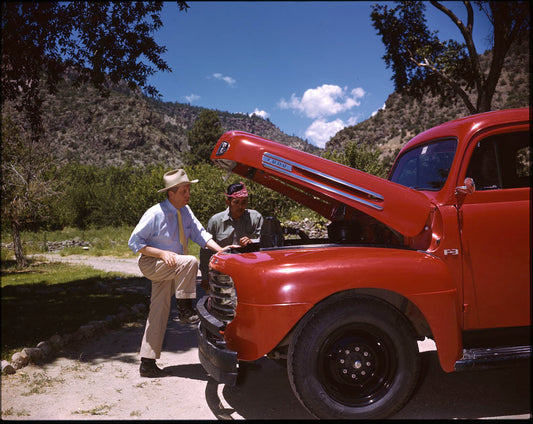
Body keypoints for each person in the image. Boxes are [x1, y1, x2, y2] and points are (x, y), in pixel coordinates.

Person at [128, 169, 231, 378]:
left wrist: (221, 250)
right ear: (171, 193)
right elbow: (134, 243)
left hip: (173, 265)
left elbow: (200, 234)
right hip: (152, 263)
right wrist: (161, 253)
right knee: (190, 261)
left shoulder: (185, 211)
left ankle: (147, 363)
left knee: (159, 309)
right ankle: (185, 309)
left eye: (189, 190)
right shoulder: (154, 213)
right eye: (184, 191)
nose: (188, 195)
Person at [199, 182, 263, 289]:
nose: (240, 206)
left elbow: (266, 244)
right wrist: (205, 277)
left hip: (249, 271)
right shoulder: (215, 221)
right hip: (222, 272)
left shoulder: (256, 218)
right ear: (227, 202)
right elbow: (206, 251)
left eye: (244, 202)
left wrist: (252, 241)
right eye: (236, 202)